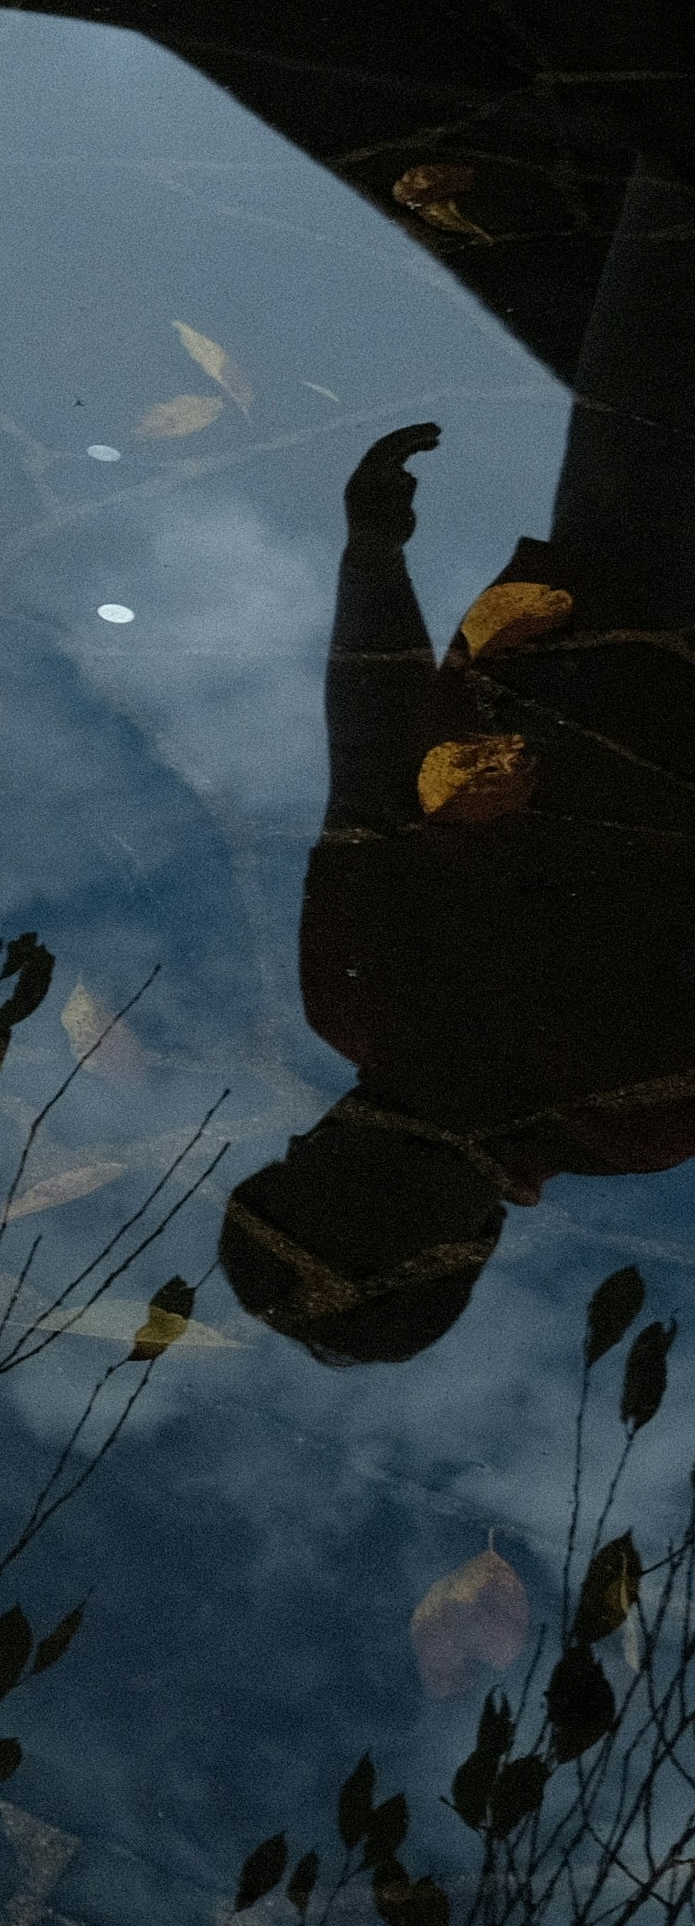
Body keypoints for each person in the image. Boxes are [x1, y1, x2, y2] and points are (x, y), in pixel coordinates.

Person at [227, 176, 695, 1356]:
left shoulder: (353, 993)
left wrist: (371, 562)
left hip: (611, 564)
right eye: (347, 1193)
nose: (322, 1143)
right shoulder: (645, 1111)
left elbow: (370, 759)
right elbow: (371, 758)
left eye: (300, 1168)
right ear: (462, 1233)